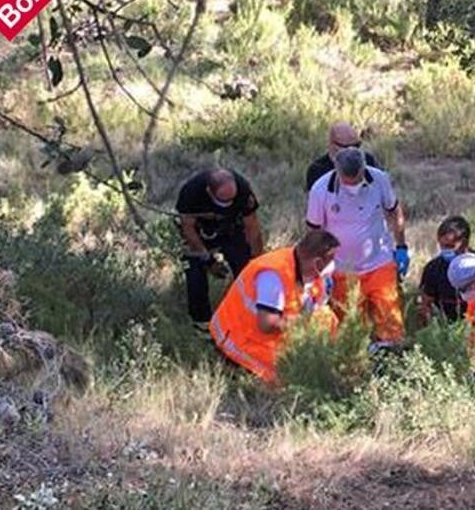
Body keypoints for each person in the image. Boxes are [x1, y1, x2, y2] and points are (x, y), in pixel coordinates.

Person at [305, 147, 409, 351]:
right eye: (347, 180)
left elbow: (394, 212)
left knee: (391, 325)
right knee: (351, 331)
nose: (353, 185)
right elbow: (313, 232)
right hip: (342, 270)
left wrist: (402, 246)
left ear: (364, 168)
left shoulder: (379, 179)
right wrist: (319, 271)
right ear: (337, 170)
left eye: (357, 178)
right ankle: (360, 368)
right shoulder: (321, 189)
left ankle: (391, 362)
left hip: (380, 264)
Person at [209, 230, 341, 383]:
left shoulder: (305, 267)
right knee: (291, 372)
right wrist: (303, 325)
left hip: (278, 326)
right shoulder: (273, 276)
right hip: (243, 338)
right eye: (331, 259)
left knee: (327, 318)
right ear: (317, 263)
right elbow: (267, 324)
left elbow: (316, 300)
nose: (334, 264)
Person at [175, 168, 265, 333]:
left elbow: (252, 226)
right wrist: (208, 260)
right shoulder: (191, 192)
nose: (228, 204)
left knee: (246, 268)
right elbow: (188, 229)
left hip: (230, 229)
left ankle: (246, 313)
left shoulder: (243, 189)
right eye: (223, 201)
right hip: (199, 233)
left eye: (232, 199)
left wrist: (258, 262)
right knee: (194, 272)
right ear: (209, 191)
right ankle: (202, 323)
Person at [419, 216, 475, 325]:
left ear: (464, 243)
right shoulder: (433, 269)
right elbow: (426, 306)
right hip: (447, 329)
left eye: (450, 246)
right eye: (442, 246)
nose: (445, 250)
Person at [304, 122, 383, 192]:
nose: (353, 150)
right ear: (332, 145)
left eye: (356, 145)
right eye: (346, 147)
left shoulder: (368, 161)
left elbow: (382, 191)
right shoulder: (317, 170)